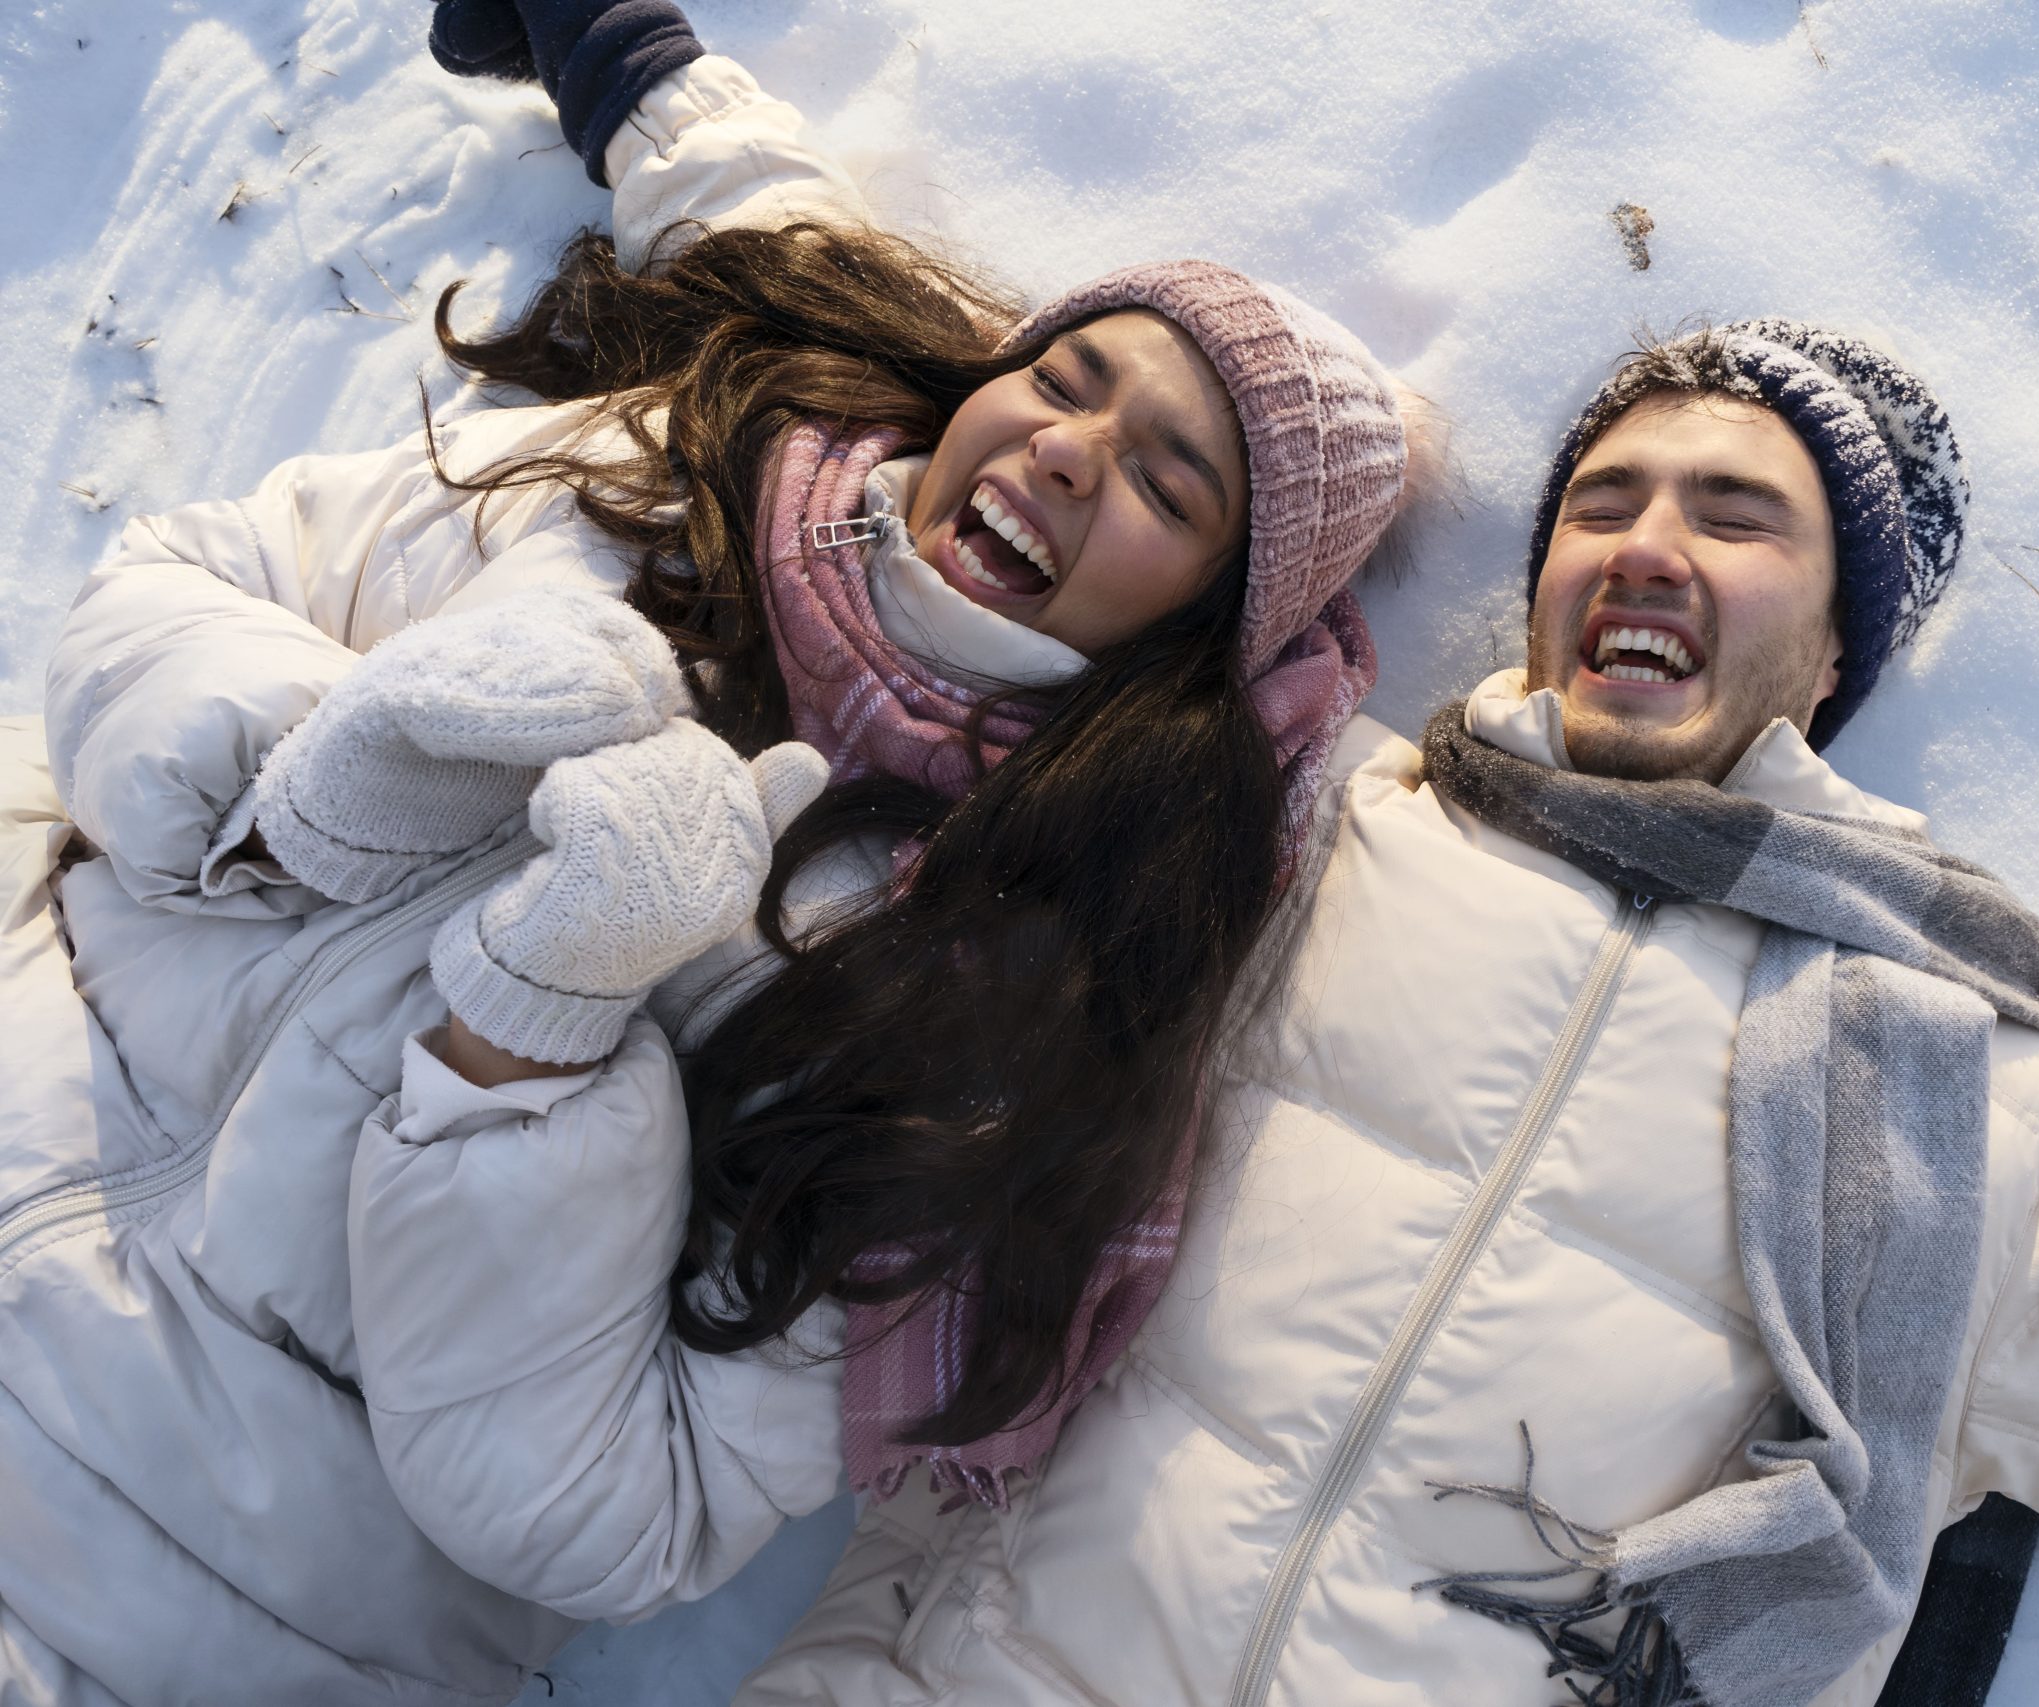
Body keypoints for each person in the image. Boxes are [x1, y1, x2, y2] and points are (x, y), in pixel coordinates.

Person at [730, 318, 2039, 1707]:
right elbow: (926, 585)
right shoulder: (1291, 817)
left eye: (1738, 515)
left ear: (1835, 654)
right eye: (1604, 499)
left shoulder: (1928, 1083)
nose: (1649, 542)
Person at [0, 0, 1414, 1699]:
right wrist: (322, 771)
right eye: (1061, 377)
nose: (1063, 448)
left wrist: (534, 1034)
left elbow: (615, 1512)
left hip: (175, 1571)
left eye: (1168, 487)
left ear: (1199, 632)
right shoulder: (661, 485)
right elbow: (174, 582)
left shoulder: (1000, 1001)